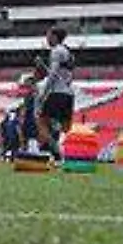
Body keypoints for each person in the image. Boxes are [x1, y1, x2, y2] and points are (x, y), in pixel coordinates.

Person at [38, 28, 76, 156]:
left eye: (48, 36)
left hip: (57, 92)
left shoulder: (56, 51)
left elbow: (53, 74)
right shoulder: (68, 51)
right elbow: (67, 74)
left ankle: (59, 150)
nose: (47, 39)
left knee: (41, 122)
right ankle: (70, 152)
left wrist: (44, 93)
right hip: (68, 93)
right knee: (65, 127)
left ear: (54, 37)